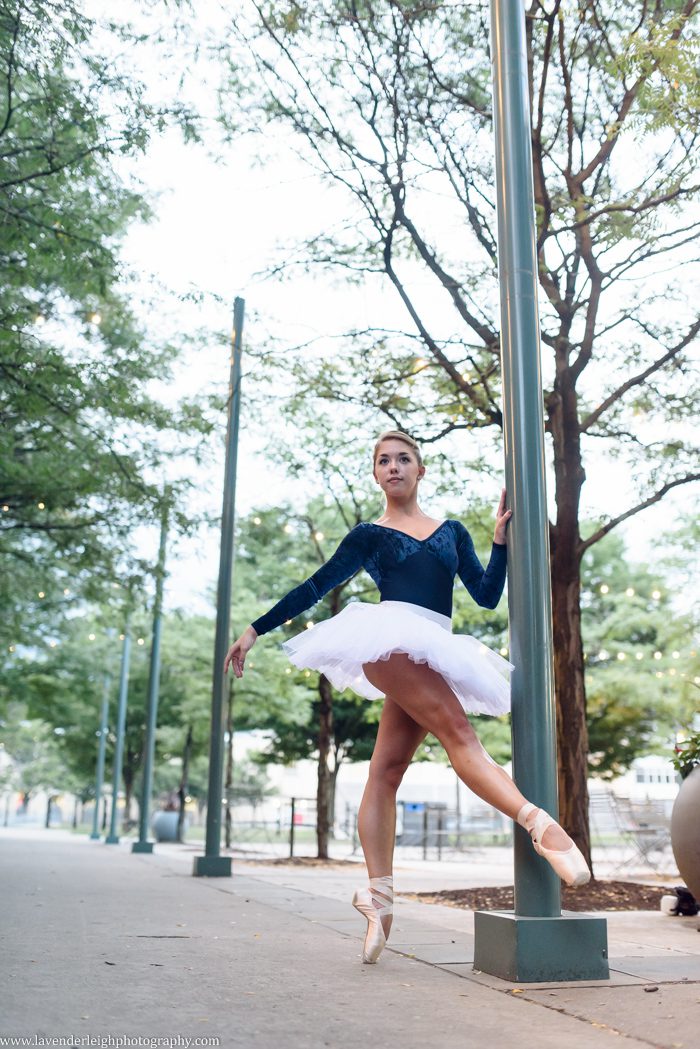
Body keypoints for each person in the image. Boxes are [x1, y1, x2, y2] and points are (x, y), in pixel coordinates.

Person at [224, 430, 591, 965]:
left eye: (403, 459)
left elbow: (485, 597)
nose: (393, 466)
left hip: (435, 649)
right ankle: (542, 826)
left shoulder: (451, 532)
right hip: (390, 642)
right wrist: (256, 629)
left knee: (386, 771)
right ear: (376, 475)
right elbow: (315, 587)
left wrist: (498, 544)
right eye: (383, 461)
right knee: (460, 736)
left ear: (420, 470)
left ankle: (378, 898)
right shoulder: (369, 535)